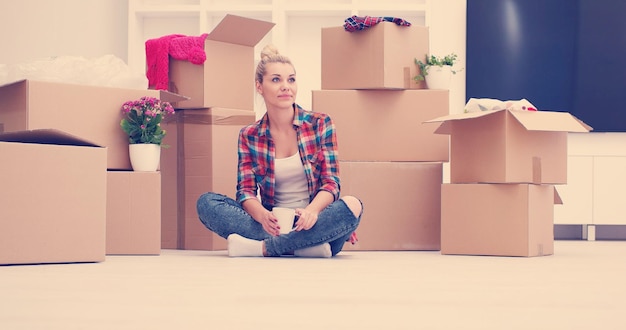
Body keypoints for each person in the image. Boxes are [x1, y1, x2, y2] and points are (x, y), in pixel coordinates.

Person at [196, 45, 362, 258]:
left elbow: (331, 183)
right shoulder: (249, 134)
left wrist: (312, 212)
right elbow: (245, 191)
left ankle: (265, 248)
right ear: (259, 86)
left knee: (353, 205)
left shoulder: (321, 123)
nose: (286, 87)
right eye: (276, 80)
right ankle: (306, 247)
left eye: (291, 80)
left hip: (312, 220)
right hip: (272, 224)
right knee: (207, 203)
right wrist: (263, 216)